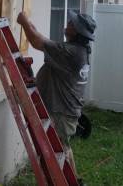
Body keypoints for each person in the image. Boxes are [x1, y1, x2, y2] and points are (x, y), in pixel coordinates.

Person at [16, 10, 96, 176]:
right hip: (66, 112)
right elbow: (42, 39)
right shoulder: (78, 50)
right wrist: (29, 25)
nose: (67, 24)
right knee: (64, 148)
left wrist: (23, 22)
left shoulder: (71, 52)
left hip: (61, 113)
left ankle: (65, 180)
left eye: (71, 24)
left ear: (76, 31)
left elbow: (37, 42)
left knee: (58, 153)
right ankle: (73, 181)